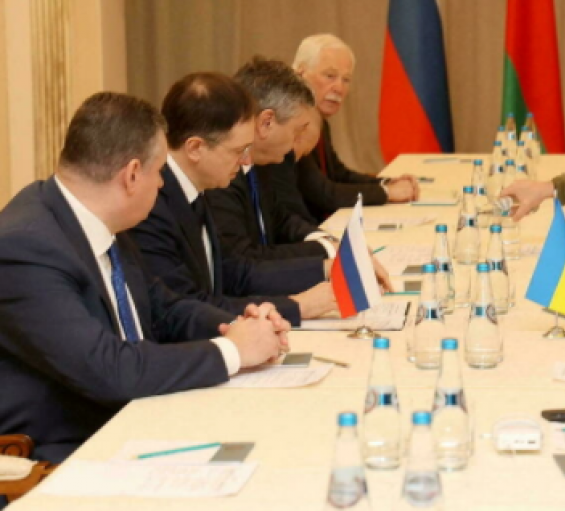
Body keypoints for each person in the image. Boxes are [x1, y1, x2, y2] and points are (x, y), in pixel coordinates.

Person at [0, 92, 288, 464]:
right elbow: (109, 369)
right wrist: (233, 351)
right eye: (159, 172)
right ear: (133, 175)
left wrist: (240, 326)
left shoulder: (98, 220)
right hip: (63, 452)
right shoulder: (25, 247)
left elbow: (164, 308)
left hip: (135, 419)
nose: (162, 185)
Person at [129, 72, 337, 326]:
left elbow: (233, 273)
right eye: (238, 151)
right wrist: (296, 306)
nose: (246, 161)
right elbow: (184, 307)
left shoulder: (196, 187)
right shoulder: (153, 205)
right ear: (195, 148)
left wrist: (323, 270)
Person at [206, 57, 338, 261]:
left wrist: (323, 239)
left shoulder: (262, 163)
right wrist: (324, 251)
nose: (295, 145)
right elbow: (243, 262)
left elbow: (280, 219)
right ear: (266, 122)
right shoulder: (220, 174)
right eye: (297, 131)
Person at [292, 34, 419, 219]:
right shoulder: (290, 125)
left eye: (346, 80)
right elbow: (324, 194)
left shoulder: (319, 121)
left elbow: (339, 175)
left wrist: (386, 183)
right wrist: (387, 193)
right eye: (329, 76)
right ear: (300, 74)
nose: (339, 88)